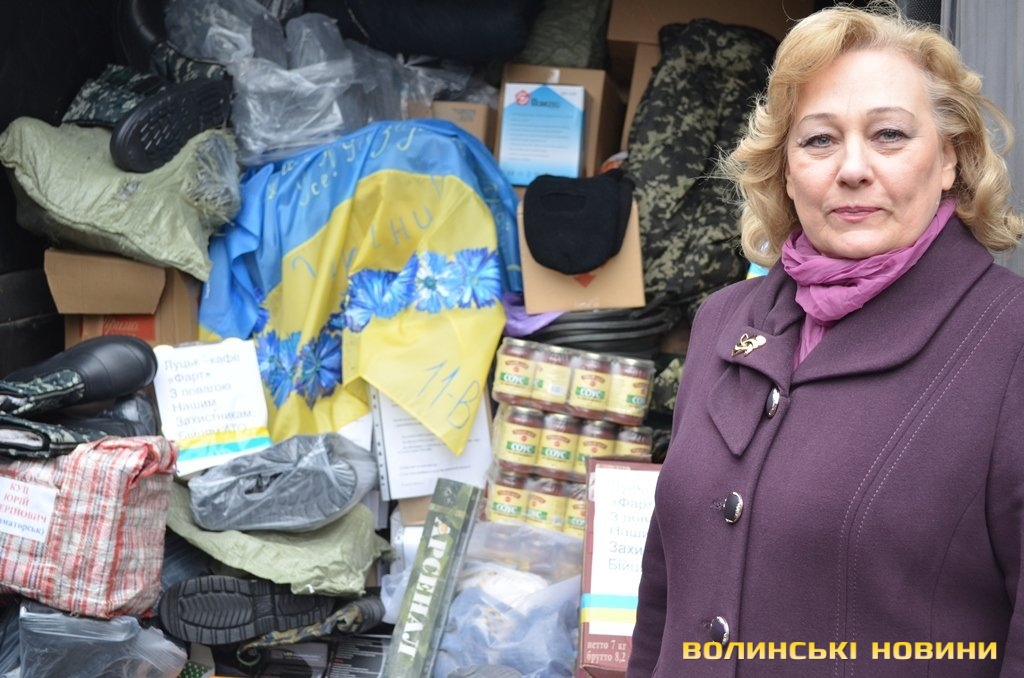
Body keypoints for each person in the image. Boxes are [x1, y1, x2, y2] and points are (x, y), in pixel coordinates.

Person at [627, 2, 1024, 677]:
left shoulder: (1008, 340)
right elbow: (665, 587)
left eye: (889, 135)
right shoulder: (723, 321)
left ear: (950, 159)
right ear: (785, 169)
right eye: (819, 140)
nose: (852, 168)